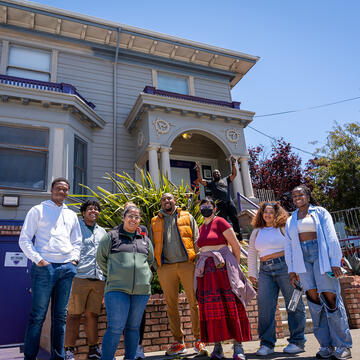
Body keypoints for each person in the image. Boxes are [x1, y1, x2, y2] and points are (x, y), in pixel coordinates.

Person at [284, 185, 352, 360]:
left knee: (331, 300)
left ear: (308, 195)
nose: (297, 197)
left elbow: (331, 235)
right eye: (294, 195)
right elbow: (289, 246)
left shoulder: (320, 212)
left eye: (300, 194)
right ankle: (326, 345)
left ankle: (343, 345)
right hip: (302, 259)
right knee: (314, 302)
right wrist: (292, 271)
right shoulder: (291, 219)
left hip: (321, 256)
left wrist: (335, 262)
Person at [18, 177, 82, 360]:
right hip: (44, 269)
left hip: (66, 269)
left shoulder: (71, 215)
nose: (62, 192)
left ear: (67, 193)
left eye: (65, 190)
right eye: (59, 188)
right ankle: (30, 357)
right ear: (52, 189)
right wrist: (39, 260)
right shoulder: (37, 210)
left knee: (60, 318)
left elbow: (77, 241)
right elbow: (24, 239)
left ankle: (58, 356)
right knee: (37, 316)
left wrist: (74, 261)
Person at [195, 197, 255, 360]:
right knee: (212, 310)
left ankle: (238, 348)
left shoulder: (221, 222)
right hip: (207, 273)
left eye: (209, 205)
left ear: (214, 209)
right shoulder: (201, 227)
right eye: (203, 206)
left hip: (224, 270)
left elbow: (235, 246)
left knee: (231, 306)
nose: (205, 208)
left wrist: (234, 267)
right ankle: (218, 348)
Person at [150, 193, 208, 356]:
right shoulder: (155, 221)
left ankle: (199, 340)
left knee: (194, 302)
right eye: (163, 199)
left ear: (175, 201)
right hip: (165, 268)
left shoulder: (187, 216)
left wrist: (197, 261)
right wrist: (156, 266)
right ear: (161, 202)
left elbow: (196, 239)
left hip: (187, 264)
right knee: (171, 304)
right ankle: (179, 342)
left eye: (169, 198)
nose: (167, 201)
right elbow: (151, 243)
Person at [247, 201, 306, 356]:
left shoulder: (283, 228)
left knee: (294, 304)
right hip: (265, 270)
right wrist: (252, 273)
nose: (268, 215)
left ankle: (297, 342)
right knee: (265, 307)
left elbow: (294, 247)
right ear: (261, 214)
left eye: (271, 212)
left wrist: (296, 269)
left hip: (285, 268)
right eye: (265, 212)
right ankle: (267, 344)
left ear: (277, 214)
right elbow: (252, 252)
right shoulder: (257, 231)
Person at [96, 205, 154, 360]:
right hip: (117, 289)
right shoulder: (111, 237)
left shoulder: (145, 240)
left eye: (137, 217)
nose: (133, 219)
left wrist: (146, 278)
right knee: (115, 328)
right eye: (130, 216)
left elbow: (150, 261)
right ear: (123, 217)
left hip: (141, 291)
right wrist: (113, 275)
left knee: (133, 328)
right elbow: (100, 258)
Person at [64, 200, 107, 360]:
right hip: (79, 277)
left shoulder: (103, 232)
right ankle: (68, 350)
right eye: (90, 209)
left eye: (96, 209)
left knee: (92, 315)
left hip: (98, 279)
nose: (93, 211)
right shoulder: (75, 229)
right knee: (74, 315)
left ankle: (93, 349)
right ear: (83, 212)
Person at [195, 158, 242, 241]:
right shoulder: (211, 183)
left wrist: (233, 163)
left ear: (220, 174)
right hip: (220, 205)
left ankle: (239, 239)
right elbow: (201, 180)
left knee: (235, 219)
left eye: (217, 172)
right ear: (213, 175)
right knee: (222, 222)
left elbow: (234, 174)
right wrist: (198, 170)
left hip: (229, 202)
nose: (216, 173)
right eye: (214, 173)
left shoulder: (226, 180)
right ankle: (224, 239)